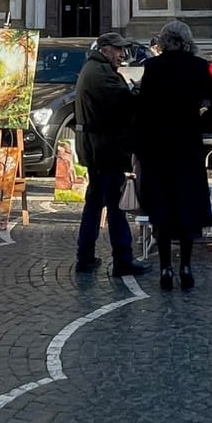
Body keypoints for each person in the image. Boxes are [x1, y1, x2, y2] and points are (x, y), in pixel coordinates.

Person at [135, 20, 212, 292]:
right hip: (187, 146)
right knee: (186, 206)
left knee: (163, 208)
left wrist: (140, 144)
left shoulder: (153, 67)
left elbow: (143, 109)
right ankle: (186, 267)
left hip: (158, 147)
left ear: (165, 41)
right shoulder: (199, 67)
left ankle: (165, 268)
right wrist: (202, 124)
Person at [73, 31, 149, 278]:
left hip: (98, 147)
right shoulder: (99, 73)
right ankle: (122, 260)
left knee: (95, 203)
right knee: (114, 207)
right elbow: (124, 103)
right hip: (103, 149)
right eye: (118, 50)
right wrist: (138, 90)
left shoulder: (96, 69)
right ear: (105, 49)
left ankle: (85, 256)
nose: (122, 54)